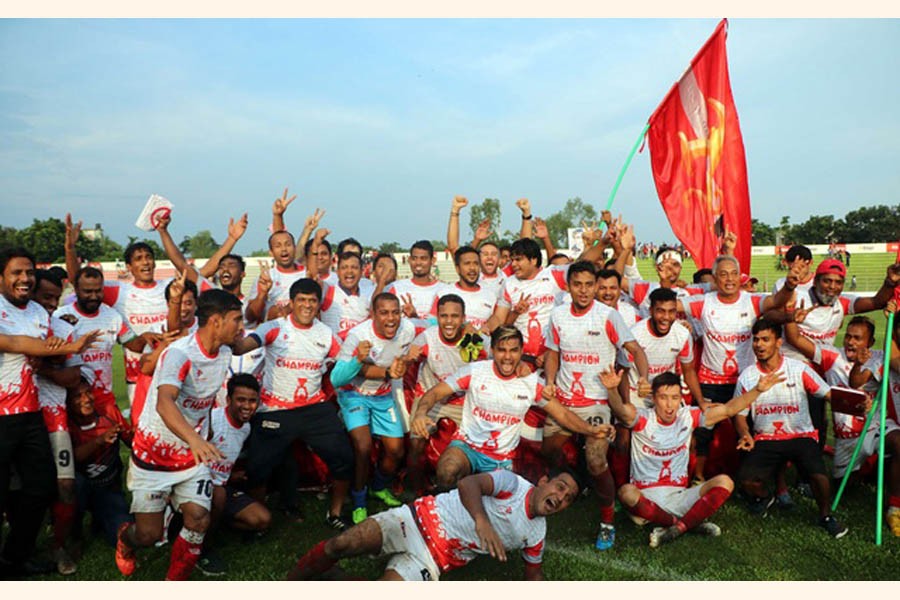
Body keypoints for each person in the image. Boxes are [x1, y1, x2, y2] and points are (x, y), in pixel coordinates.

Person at [115, 289, 245, 580]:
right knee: (148, 535)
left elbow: (246, 345)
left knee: (199, 520)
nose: (241, 326)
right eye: (237, 320)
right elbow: (164, 403)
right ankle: (125, 540)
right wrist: (196, 439)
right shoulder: (180, 354)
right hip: (154, 453)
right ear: (215, 322)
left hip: (190, 456)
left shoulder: (224, 351)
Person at [286, 468, 583, 581]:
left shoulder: (536, 535)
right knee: (343, 543)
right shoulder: (513, 484)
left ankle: (333, 577)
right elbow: (468, 483)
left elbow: (534, 575)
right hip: (413, 520)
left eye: (567, 498)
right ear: (544, 481)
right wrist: (482, 521)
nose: (560, 496)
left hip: (434, 559)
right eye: (560, 487)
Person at [411, 326, 614, 490]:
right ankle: (446, 518)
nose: (507, 357)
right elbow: (435, 393)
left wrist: (590, 430)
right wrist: (420, 413)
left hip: (502, 459)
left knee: (499, 510)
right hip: (468, 446)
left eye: (513, 350)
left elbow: (562, 413)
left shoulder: (530, 383)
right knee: (447, 471)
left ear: (521, 351)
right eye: (501, 350)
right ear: (492, 351)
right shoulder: (475, 371)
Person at [0, 248, 100, 578]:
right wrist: (70, 347)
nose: (24, 278)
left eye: (28, 272)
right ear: (1, 276)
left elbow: (45, 352)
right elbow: (14, 343)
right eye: (16, 272)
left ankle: (14, 560)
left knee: (40, 488)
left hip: (30, 413)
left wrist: (61, 353)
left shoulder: (39, 315)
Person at [606, 369, 783, 547]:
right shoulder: (642, 417)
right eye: (663, 397)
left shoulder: (688, 416)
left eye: (675, 398)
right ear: (653, 398)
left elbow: (729, 409)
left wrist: (757, 390)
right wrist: (613, 390)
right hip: (645, 497)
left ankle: (673, 527)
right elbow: (620, 410)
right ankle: (686, 525)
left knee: (725, 482)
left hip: (679, 496)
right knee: (626, 493)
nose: (669, 405)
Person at [541, 260, 649, 550]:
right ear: (569, 286)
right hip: (564, 400)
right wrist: (550, 379)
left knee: (596, 459)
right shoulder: (558, 315)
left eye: (590, 285)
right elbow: (552, 351)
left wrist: (644, 378)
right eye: (578, 284)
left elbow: (634, 350)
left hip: (598, 402)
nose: (585, 290)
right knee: (550, 450)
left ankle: (606, 521)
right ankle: (580, 485)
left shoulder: (608, 316)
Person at [231, 279, 353, 530]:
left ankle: (335, 513)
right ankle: (258, 519)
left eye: (312, 301)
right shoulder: (275, 327)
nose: (307, 306)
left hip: (313, 407)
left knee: (343, 457)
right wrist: (230, 337)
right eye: (302, 300)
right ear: (292, 302)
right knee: (258, 466)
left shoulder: (325, 335)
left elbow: (347, 363)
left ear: (319, 305)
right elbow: (244, 346)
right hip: (276, 408)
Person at [682, 255, 797, 481]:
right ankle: (697, 478)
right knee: (703, 432)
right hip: (710, 381)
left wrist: (790, 285)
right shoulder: (704, 302)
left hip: (746, 380)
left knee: (752, 430)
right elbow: (667, 305)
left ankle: (753, 478)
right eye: (723, 274)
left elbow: (776, 300)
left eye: (734, 274)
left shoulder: (751, 301)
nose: (729, 279)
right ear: (714, 279)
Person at [733, 318, 849, 538]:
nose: (759, 345)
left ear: (778, 342)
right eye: (756, 340)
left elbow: (828, 394)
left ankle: (826, 516)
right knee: (746, 480)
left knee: (818, 474)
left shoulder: (798, 369)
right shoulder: (747, 376)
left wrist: (858, 403)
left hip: (801, 435)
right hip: (766, 438)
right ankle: (767, 497)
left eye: (765, 340)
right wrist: (745, 434)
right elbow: (740, 414)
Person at [330, 292, 423, 523]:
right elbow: (336, 378)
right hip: (354, 395)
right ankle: (359, 500)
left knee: (396, 450)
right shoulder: (358, 336)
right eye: (384, 313)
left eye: (395, 312)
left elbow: (431, 324)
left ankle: (378, 487)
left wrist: (467, 327)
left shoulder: (408, 329)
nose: (391, 319)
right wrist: (358, 360)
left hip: (382, 395)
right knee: (363, 447)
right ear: (373, 314)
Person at [404, 294, 489, 495]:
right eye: (444, 316)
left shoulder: (473, 339)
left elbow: (493, 362)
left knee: (472, 444)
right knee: (416, 441)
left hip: (460, 400)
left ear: (463, 318)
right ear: (437, 316)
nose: (449, 322)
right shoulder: (428, 336)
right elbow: (412, 352)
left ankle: (464, 491)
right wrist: (409, 358)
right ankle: (417, 492)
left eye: (454, 316)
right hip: (430, 396)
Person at [31, 269, 85, 575]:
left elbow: (73, 377)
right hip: (17, 414)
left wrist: (44, 369)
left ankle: (58, 546)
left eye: (56, 297)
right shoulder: (15, 323)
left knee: (65, 485)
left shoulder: (64, 328)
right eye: (45, 297)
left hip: (54, 414)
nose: (52, 304)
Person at [55, 266, 154, 418]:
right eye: (88, 291)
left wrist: (148, 336)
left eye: (98, 291)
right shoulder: (61, 316)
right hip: (74, 400)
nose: (94, 296)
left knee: (115, 437)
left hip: (106, 399)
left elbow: (133, 344)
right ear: (76, 290)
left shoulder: (112, 316)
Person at [199, 374, 272, 576]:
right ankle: (201, 548)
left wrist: (231, 477)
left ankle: (212, 522)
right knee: (219, 494)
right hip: (196, 487)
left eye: (252, 401)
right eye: (241, 400)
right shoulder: (212, 421)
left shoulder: (246, 427)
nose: (247, 406)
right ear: (228, 400)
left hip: (222, 486)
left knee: (261, 520)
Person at [67, 378, 132, 551]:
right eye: (77, 396)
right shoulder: (65, 424)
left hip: (107, 488)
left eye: (88, 392)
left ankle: (101, 518)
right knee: (75, 483)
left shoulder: (108, 413)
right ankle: (75, 534)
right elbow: (70, 459)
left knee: (124, 537)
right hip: (81, 490)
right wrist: (100, 440)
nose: (86, 399)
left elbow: (132, 442)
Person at [434, 246, 497, 330]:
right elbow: (432, 322)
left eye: (476, 263)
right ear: (457, 269)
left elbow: (497, 320)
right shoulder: (444, 293)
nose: (472, 268)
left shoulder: (491, 295)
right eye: (467, 263)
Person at [385, 240, 446, 318]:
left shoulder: (444, 290)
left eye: (423, 258)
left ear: (432, 261)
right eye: (414, 258)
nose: (418, 262)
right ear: (409, 260)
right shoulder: (395, 288)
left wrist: (415, 317)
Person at [319, 251, 373, 340]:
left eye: (354, 267)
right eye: (344, 267)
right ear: (337, 272)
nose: (349, 271)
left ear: (361, 271)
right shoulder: (327, 291)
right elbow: (313, 275)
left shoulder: (366, 301)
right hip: (333, 352)